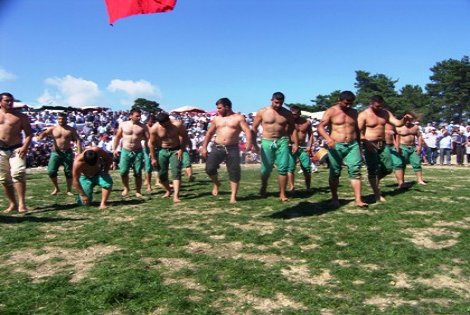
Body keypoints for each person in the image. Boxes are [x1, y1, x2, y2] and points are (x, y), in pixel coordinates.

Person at [317, 91, 368, 208]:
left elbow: (357, 130)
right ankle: (335, 198)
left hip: (352, 144)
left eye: (351, 103)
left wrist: (360, 146)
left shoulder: (354, 112)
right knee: (335, 172)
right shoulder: (331, 111)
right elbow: (320, 127)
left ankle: (358, 200)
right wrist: (328, 139)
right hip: (336, 145)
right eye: (346, 103)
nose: (348, 106)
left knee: (355, 170)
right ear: (339, 100)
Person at [357, 95, 413, 202]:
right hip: (369, 144)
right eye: (377, 106)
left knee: (388, 168)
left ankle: (374, 181)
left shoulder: (385, 113)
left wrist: (404, 119)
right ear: (371, 103)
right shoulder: (364, 115)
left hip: (382, 144)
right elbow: (358, 132)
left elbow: (398, 123)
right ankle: (377, 194)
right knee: (372, 169)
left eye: (380, 106)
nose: (379, 108)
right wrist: (365, 142)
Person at [201, 97, 252, 203]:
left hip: (232, 147)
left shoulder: (238, 118)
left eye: (219, 108)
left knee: (234, 171)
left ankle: (233, 196)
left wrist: (249, 142)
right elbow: (209, 133)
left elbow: (247, 130)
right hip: (217, 146)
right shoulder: (216, 119)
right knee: (209, 168)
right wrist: (204, 147)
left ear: (227, 107)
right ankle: (216, 183)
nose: (217, 110)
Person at [252, 92, 298, 201]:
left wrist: (295, 143)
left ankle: (282, 193)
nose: (278, 105)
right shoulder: (262, 112)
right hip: (267, 141)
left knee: (283, 168)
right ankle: (263, 186)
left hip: (282, 141)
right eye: (276, 102)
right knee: (266, 169)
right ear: (271, 100)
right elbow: (254, 128)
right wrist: (254, 144)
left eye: (281, 103)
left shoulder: (287, 113)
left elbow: (292, 129)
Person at [0, 92, 33, 213]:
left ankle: (22, 204)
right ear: (0, 102)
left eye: (11, 100)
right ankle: (12, 203)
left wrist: (25, 147)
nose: (10, 103)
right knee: (4, 179)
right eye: (7, 101)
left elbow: (29, 134)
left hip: (16, 148)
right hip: (0, 150)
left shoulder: (20, 116)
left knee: (18, 173)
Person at [148, 112, 189, 203]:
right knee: (162, 174)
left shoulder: (177, 125)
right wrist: (153, 158)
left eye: (166, 124)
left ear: (169, 120)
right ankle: (168, 190)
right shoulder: (155, 128)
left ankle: (176, 195)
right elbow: (151, 144)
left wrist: (181, 149)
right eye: (162, 124)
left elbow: (185, 137)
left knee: (176, 172)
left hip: (175, 150)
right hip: (162, 150)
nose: (164, 126)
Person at [37, 112, 82, 195]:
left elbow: (78, 140)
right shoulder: (53, 129)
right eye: (59, 119)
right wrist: (41, 136)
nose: (61, 120)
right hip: (56, 152)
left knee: (68, 172)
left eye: (63, 119)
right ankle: (56, 188)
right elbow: (43, 134)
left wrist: (79, 152)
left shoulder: (71, 129)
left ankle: (69, 190)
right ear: (57, 119)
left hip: (67, 152)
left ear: (66, 119)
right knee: (51, 171)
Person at [112, 109, 149, 197]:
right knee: (123, 171)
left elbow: (148, 139)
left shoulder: (143, 126)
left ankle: (138, 191)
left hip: (138, 151)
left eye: (140, 116)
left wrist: (148, 150)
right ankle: (126, 188)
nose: (139, 117)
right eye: (137, 116)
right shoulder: (123, 124)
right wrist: (114, 149)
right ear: (130, 116)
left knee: (138, 172)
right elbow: (117, 137)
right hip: (125, 150)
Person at [392, 120, 427, 187]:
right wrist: (397, 147)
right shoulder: (398, 127)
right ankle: (401, 182)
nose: (407, 121)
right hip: (402, 147)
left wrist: (419, 146)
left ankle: (420, 180)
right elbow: (394, 137)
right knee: (400, 164)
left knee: (417, 163)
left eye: (409, 120)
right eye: (406, 120)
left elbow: (419, 136)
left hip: (413, 147)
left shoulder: (415, 127)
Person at [287, 106, 314, 191]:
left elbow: (311, 135)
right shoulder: (287, 122)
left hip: (303, 147)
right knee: (290, 168)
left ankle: (308, 187)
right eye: (292, 114)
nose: (294, 116)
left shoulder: (307, 122)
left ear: (299, 113)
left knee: (307, 168)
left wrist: (309, 146)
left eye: (295, 114)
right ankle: (292, 187)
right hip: (290, 147)